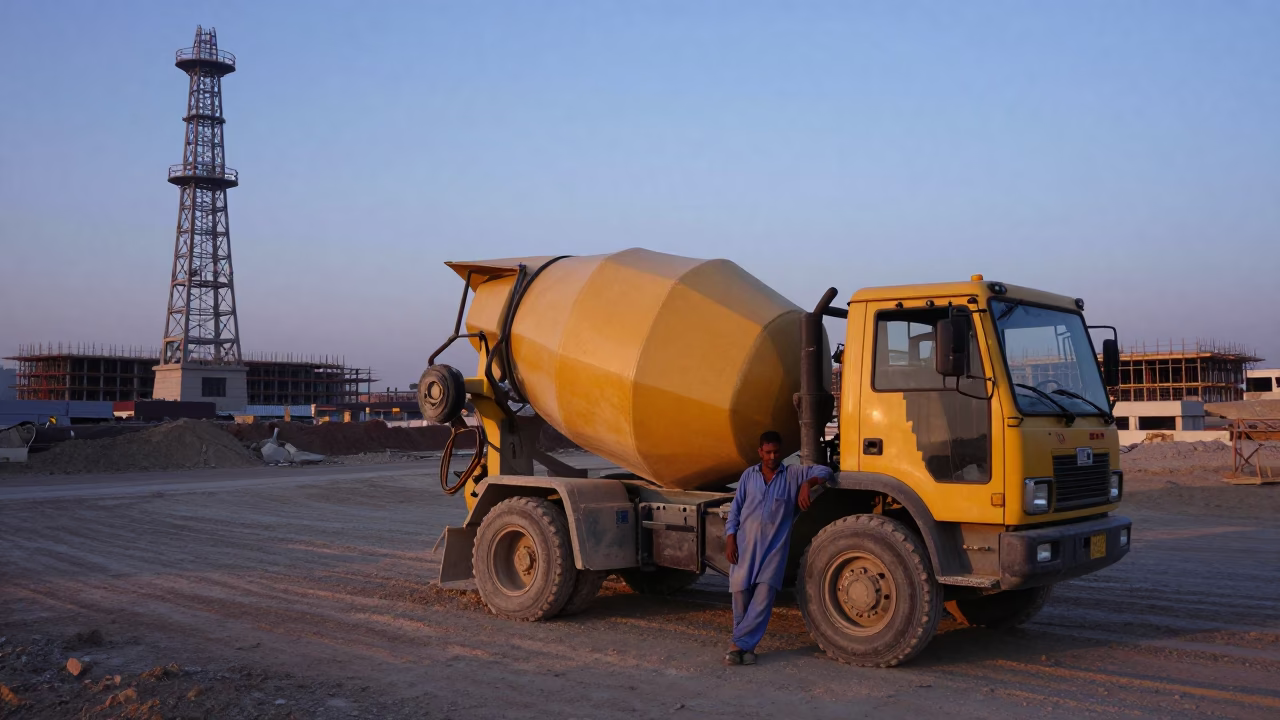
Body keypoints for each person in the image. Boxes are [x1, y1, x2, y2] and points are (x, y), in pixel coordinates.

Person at [724, 430, 832, 665]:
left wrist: (808, 483)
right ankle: (746, 648)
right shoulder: (748, 476)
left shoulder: (793, 474)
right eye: (768, 452)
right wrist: (730, 537)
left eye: (776, 452)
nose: (772, 456)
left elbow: (826, 471)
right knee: (741, 595)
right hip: (745, 546)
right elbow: (735, 509)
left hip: (774, 551)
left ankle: (736, 646)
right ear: (760, 452)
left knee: (763, 599)